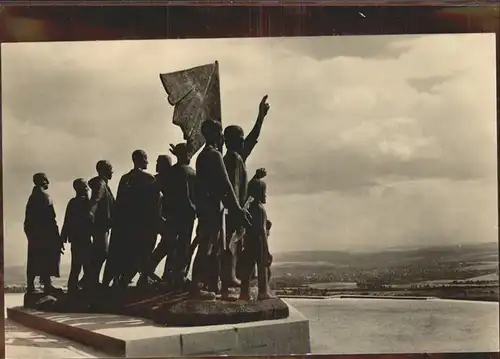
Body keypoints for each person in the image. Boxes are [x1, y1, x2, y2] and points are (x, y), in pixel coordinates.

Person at [191, 119, 251, 298]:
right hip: (211, 208)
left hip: (206, 207)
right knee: (207, 246)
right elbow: (226, 184)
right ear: (213, 135)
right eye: (219, 133)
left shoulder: (203, 155)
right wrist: (238, 209)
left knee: (210, 246)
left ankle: (206, 284)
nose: (222, 137)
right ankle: (197, 286)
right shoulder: (214, 155)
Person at [222, 95, 270, 296]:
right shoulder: (231, 159)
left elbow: (252, 139)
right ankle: (226, 282)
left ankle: (230, 283)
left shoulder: (237, 157)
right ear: (230, 141)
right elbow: (231, 187)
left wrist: (260, 118)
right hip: (233, 211)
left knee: (235, 248)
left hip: (237, 210)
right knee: (230, 248)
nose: (244, 142)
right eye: (239, 140)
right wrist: (237, 209)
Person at [114, 150, 160, 288]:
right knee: (145, 250)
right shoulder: (149, 179)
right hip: (145, 223)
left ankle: (126, 278)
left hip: (128, 223)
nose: (147, 161)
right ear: (140, 160)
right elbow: (155, 202)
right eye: (145, 158)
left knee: (131, 251)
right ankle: (143, 278)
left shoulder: (125, 178)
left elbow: (119, 202)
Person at [161, 143, 197, 287]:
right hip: (187, 215)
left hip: (171, 213)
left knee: (171, 245)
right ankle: (179, 277)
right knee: (183, 246)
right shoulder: (192, 173)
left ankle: (168, 275)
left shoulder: (170, 172)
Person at [24, 173, 64, 294]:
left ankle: (31, 285)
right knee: (47, 257)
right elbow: (51, 219)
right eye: (46, 180)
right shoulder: (45, 197)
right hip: (45, 234)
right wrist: (57, 238)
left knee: (33, 259)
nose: (48, 183)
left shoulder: (32, 197)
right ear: (42, 181)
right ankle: (47, 284)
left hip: (34, 234)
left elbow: (28, 221)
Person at [239, 177, 273, 301]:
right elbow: (262, 231)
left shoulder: (249, 208)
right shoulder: (260, 209)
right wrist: (266, 250)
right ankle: (263, 292)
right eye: (264, 191)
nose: (265, 195)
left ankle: (244, 293)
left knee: (247, 269)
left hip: (249, 243)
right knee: (263, 267)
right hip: (258, 242)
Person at [60, 179, 92, 293]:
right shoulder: (86, 203)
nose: (87, 188)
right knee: (86, 265)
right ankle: (86, 287)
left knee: (76, 265)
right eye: (85, 186)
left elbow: (66, 221)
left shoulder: (72, 202)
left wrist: (63, 237)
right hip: (84, 238)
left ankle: (73, 287)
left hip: (76, 239)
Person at [87, 160, 115, 287]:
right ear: (104, 170)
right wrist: (91, 213)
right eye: (110, 169)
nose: (112, 171)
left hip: (103, 224)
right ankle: (91, 280)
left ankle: (91, 279)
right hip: (100, 224)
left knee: (99, 251)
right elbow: (95, 200)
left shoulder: (103, 184)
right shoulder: (101, 184)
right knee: (102, 252)